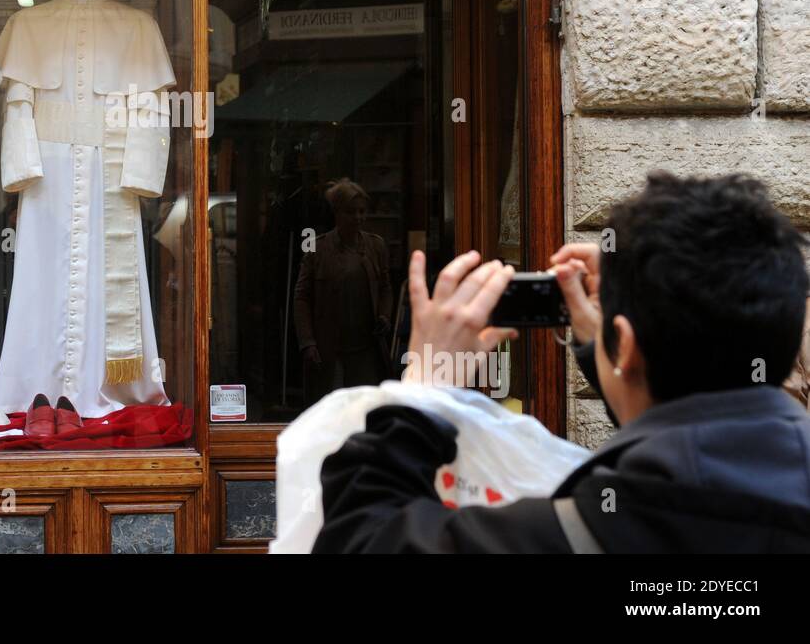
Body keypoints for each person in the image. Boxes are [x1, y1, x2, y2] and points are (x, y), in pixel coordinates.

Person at [314, 173, 810, 552]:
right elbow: (690, 426)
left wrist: (426, 386)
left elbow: (360, 535)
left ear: (627, 346)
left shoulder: (573, 532)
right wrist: (612, 350)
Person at [294, 179, 396, 406]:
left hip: (365, 348)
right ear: (337, 213)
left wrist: (384, 316)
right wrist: (308, 342)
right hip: (330, 349)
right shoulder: (317, 249)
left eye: (362, 212)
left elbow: (385, 288)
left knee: (364, 409)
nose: (358, 218)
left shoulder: (375, 247)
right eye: (351, 212)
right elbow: (301, 296)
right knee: (330, 408)